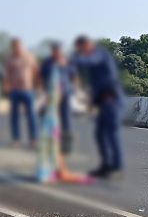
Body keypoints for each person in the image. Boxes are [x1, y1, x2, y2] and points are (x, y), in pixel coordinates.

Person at [72, 35, 125, 178]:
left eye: (81, 49)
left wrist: (73, 61)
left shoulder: (99, 55)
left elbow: (89, 61)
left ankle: (116, 166)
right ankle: (106, 165)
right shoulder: (91, 59)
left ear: (87, 45)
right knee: (100, 134)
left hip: (110, 100)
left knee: (111, 134)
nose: (80, 52)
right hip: (102, 102)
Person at [40, 42, 77, 154]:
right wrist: (44, 92)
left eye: (59, 50)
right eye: (55, 51)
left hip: (65, 94)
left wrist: (73, 90)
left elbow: (74, 77)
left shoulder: (68, 62)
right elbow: (42, 77)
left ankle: (66, 147)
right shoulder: (47, 63)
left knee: (66, 120)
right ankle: (51, 145)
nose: (57, 53)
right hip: (52, 95)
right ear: (53, 51)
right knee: (51, 120)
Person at [4, 38, 39, 148]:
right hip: (14, 90)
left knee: (32, 115)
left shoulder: (29, 56)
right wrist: (6, 86)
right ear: (11, 47)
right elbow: (7, 74)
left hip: (28, 90)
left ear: (22, 45)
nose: (16, 48)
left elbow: (35, 71)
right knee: (14, 116)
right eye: (14, 46)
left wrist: (36, 85)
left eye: (18, 45)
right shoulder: (9, 58)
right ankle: (16, 139)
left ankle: (33, 139)